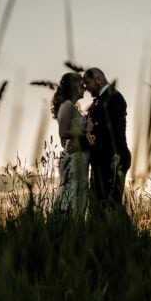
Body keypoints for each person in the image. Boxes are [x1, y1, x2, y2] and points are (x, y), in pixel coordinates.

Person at [81, 67, 132, 212]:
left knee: (111, 206)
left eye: (88, 84)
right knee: (98, 207)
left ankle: (127, 234)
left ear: (98, 79)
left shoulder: (115, 98)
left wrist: (93, 128)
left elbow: (112, 129)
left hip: (113, 159)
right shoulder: (97, 102)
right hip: (100, 161)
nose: (87, 89)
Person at [51, 72, 91, 215]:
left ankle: (73, 231)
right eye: (81, 84)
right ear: (74, 86)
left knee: (78, 198)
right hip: (74, 159)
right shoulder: (67, 105)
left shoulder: (73, 107)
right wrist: (87, 131)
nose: (84, 87)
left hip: (80, 160)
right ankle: (67, 230)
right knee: (72, 198)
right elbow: (64, 137)